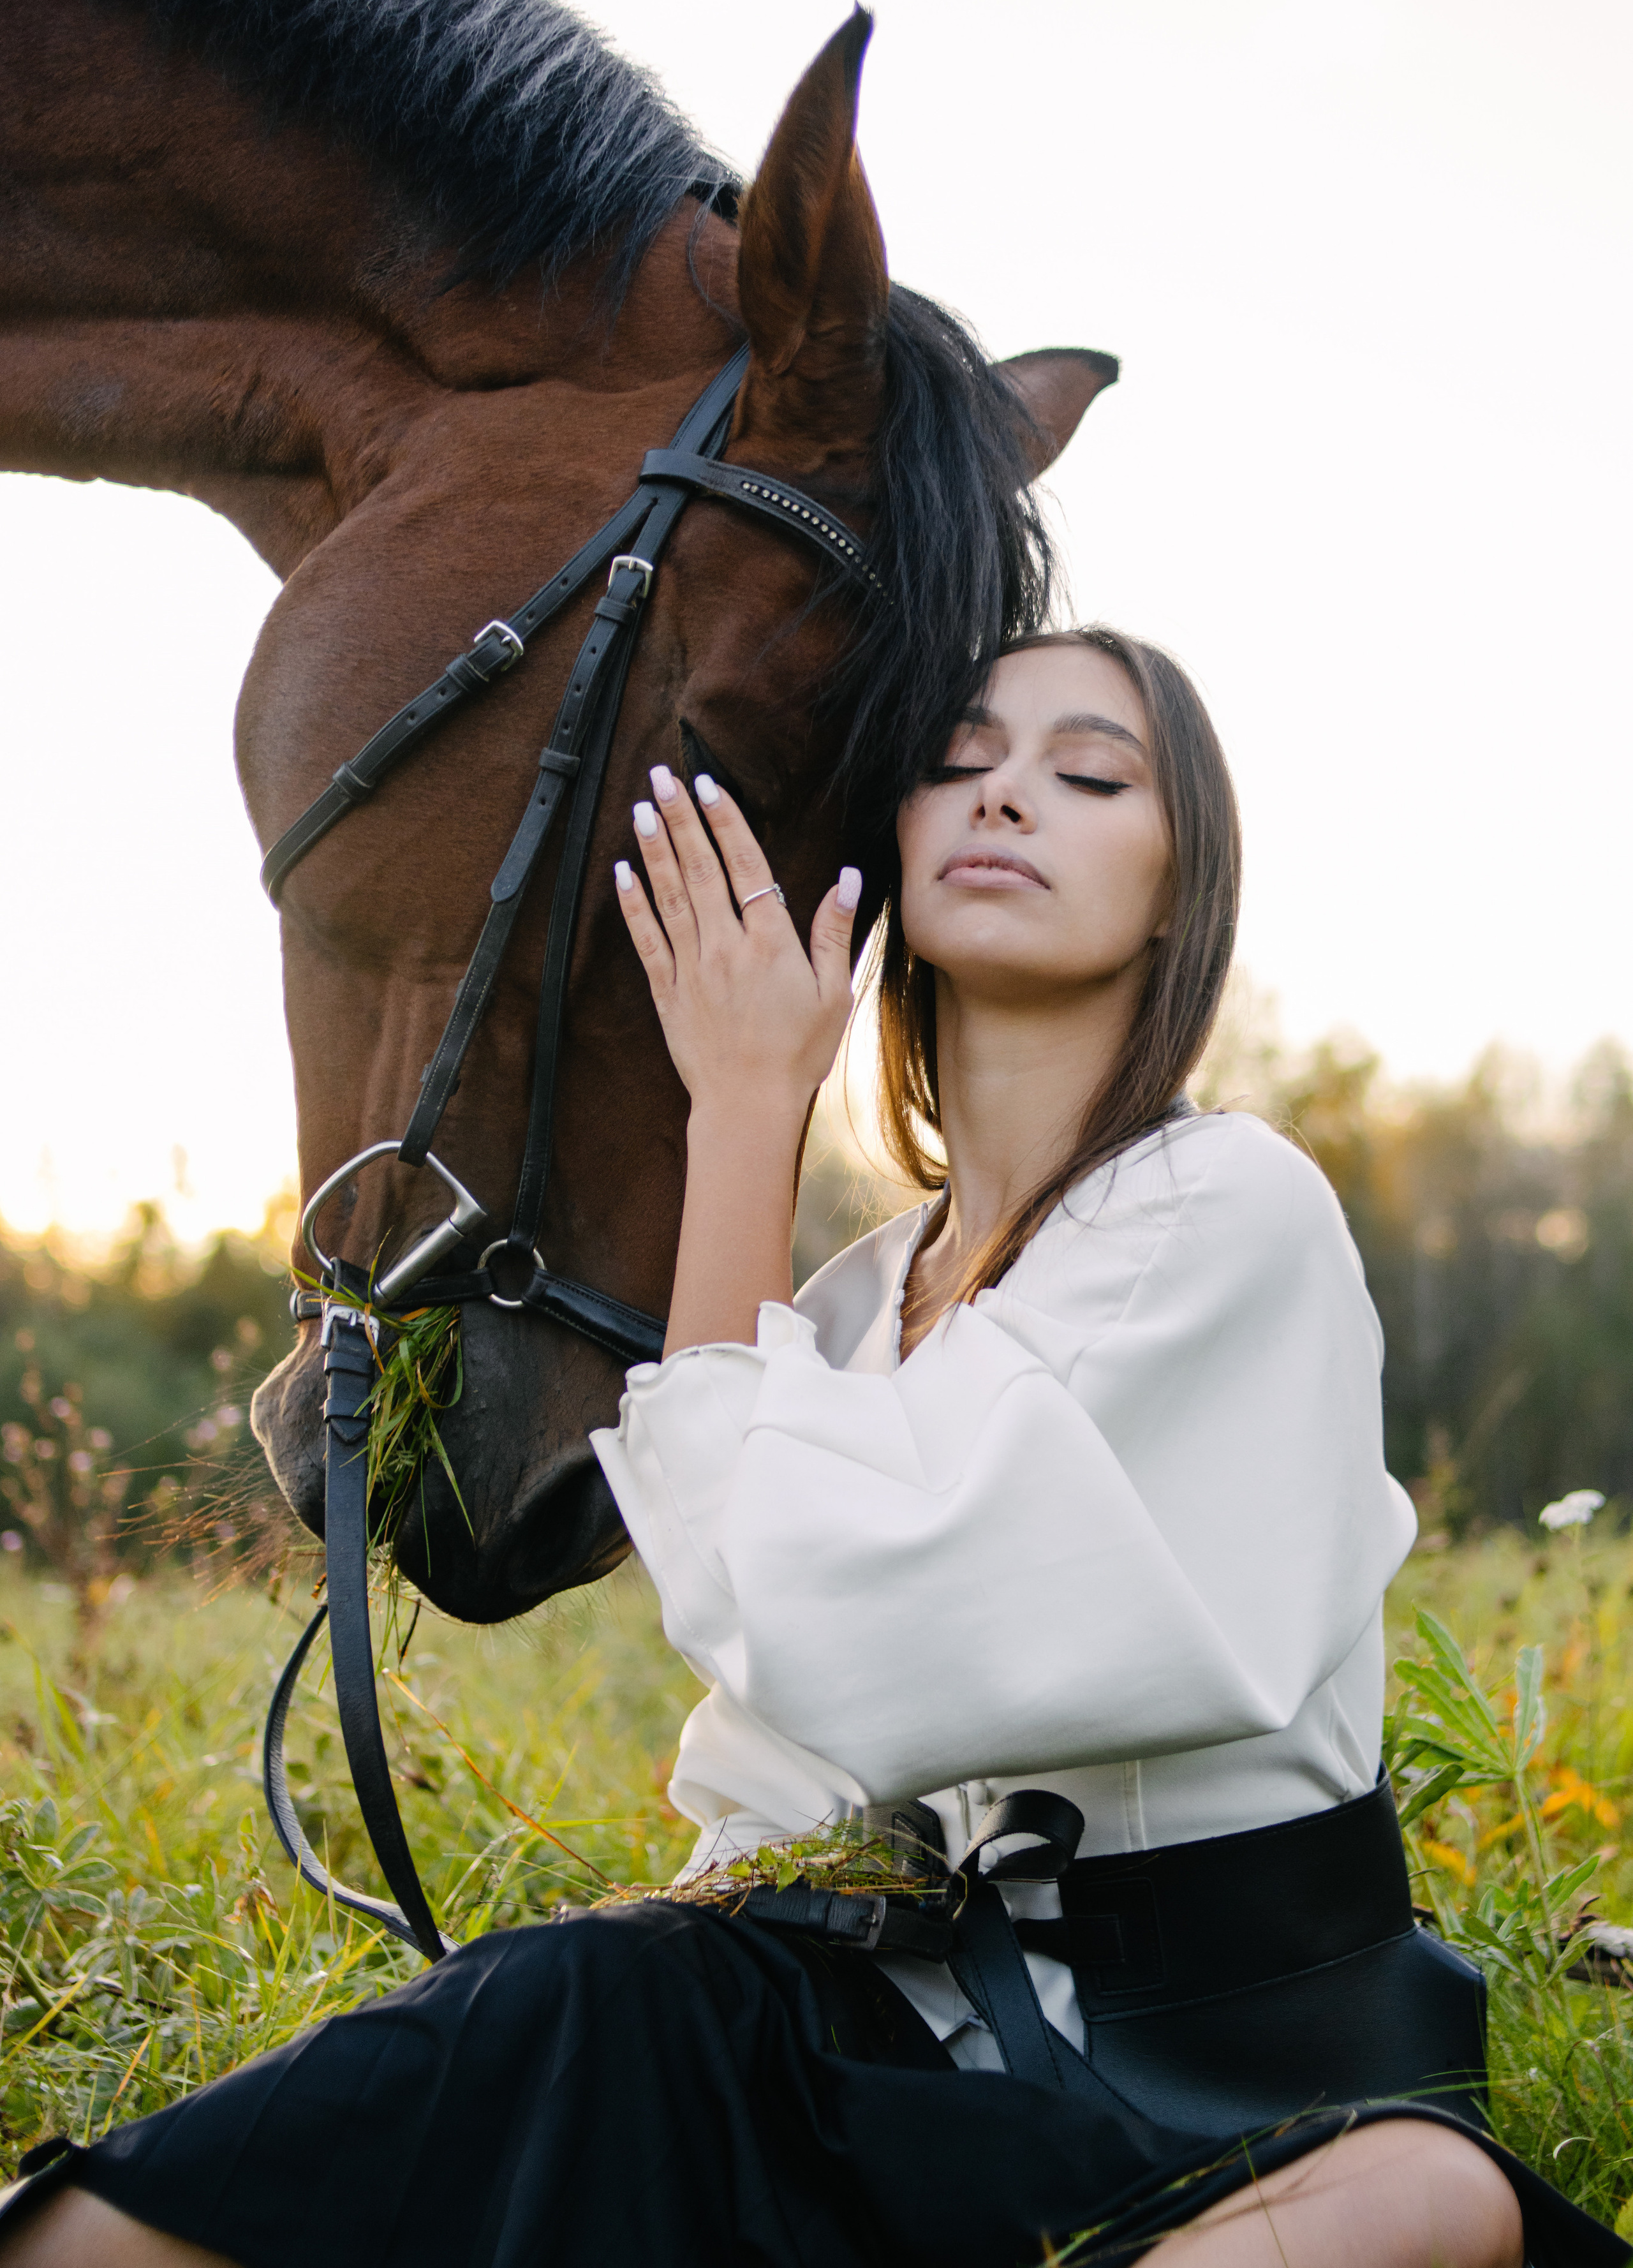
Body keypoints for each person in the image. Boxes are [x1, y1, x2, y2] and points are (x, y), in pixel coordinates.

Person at [1, 630, 1620, 2268]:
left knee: (1429, 2202)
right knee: (587, 1997)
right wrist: (736, 1106)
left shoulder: (1228, 1205)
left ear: (1177, 883)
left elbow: (844, 1633)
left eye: (1087, 773)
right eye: (959, 760)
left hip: (1221, 2073)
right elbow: (774, 1764)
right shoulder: (848, 1308)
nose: (1004, 795)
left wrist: (751, 1112)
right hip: (913, 2054)